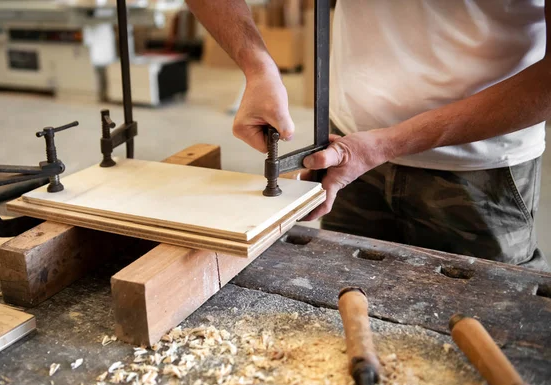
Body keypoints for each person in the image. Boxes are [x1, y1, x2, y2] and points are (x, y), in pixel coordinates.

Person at [186, 0, 550, 271]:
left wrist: (388, 143)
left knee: (488, 325)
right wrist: (257, 65)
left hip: (480, 170)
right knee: (345, 295)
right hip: (350, 155)